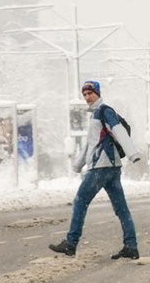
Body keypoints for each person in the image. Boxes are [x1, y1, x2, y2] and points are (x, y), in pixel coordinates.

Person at [49, 80, 142, 260]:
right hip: (111, 168)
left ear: (98, 93)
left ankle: (71, 243)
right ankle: (131, 246)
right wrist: (78, 164)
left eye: (90, 93)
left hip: (101, 167)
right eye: (84, 94)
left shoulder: (104, 111)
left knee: (80, 201)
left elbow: (118, 130)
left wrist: (132, 153)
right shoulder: (94, 116)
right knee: (121, 209)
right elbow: (90, 144)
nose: (87, 97)